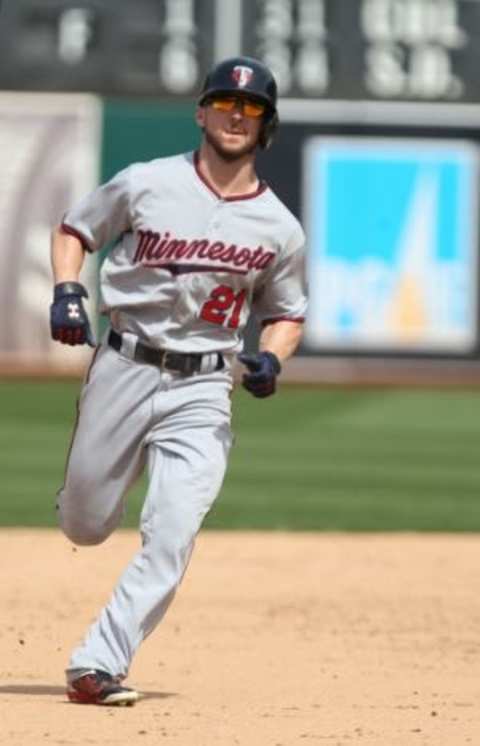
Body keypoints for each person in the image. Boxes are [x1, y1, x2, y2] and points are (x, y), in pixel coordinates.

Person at [50, 56, 307, 706]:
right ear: (201, 111)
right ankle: (90, 497)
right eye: (224, 101)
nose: (235, 114)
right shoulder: (146, 183)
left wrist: (273, 357)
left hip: (204, 387)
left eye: (250, 107)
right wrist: (67, 292)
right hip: (125, 365)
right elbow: (74, 231)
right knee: (84, 525)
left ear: (266, 125)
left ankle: (97, 662)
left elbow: (286, 313)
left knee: (173, 534)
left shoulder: (278, 227)